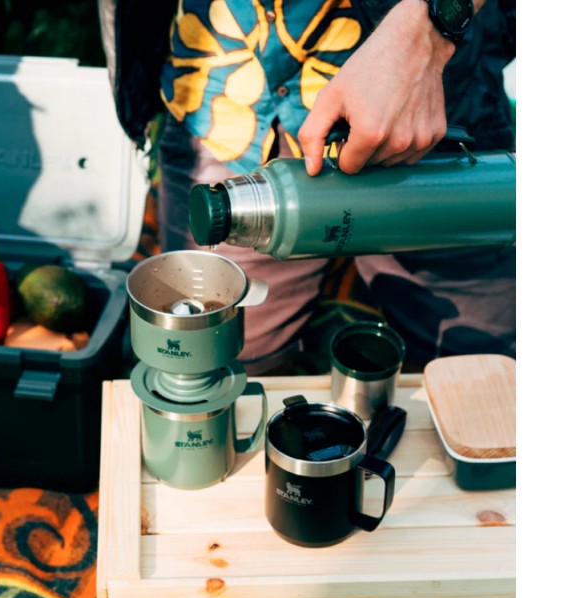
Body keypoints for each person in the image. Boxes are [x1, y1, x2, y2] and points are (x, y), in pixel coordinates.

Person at [99, 0, 516, 374]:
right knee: (215, 362)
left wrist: (429, 29)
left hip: (424, 108)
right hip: (229, 100)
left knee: (480, 364)